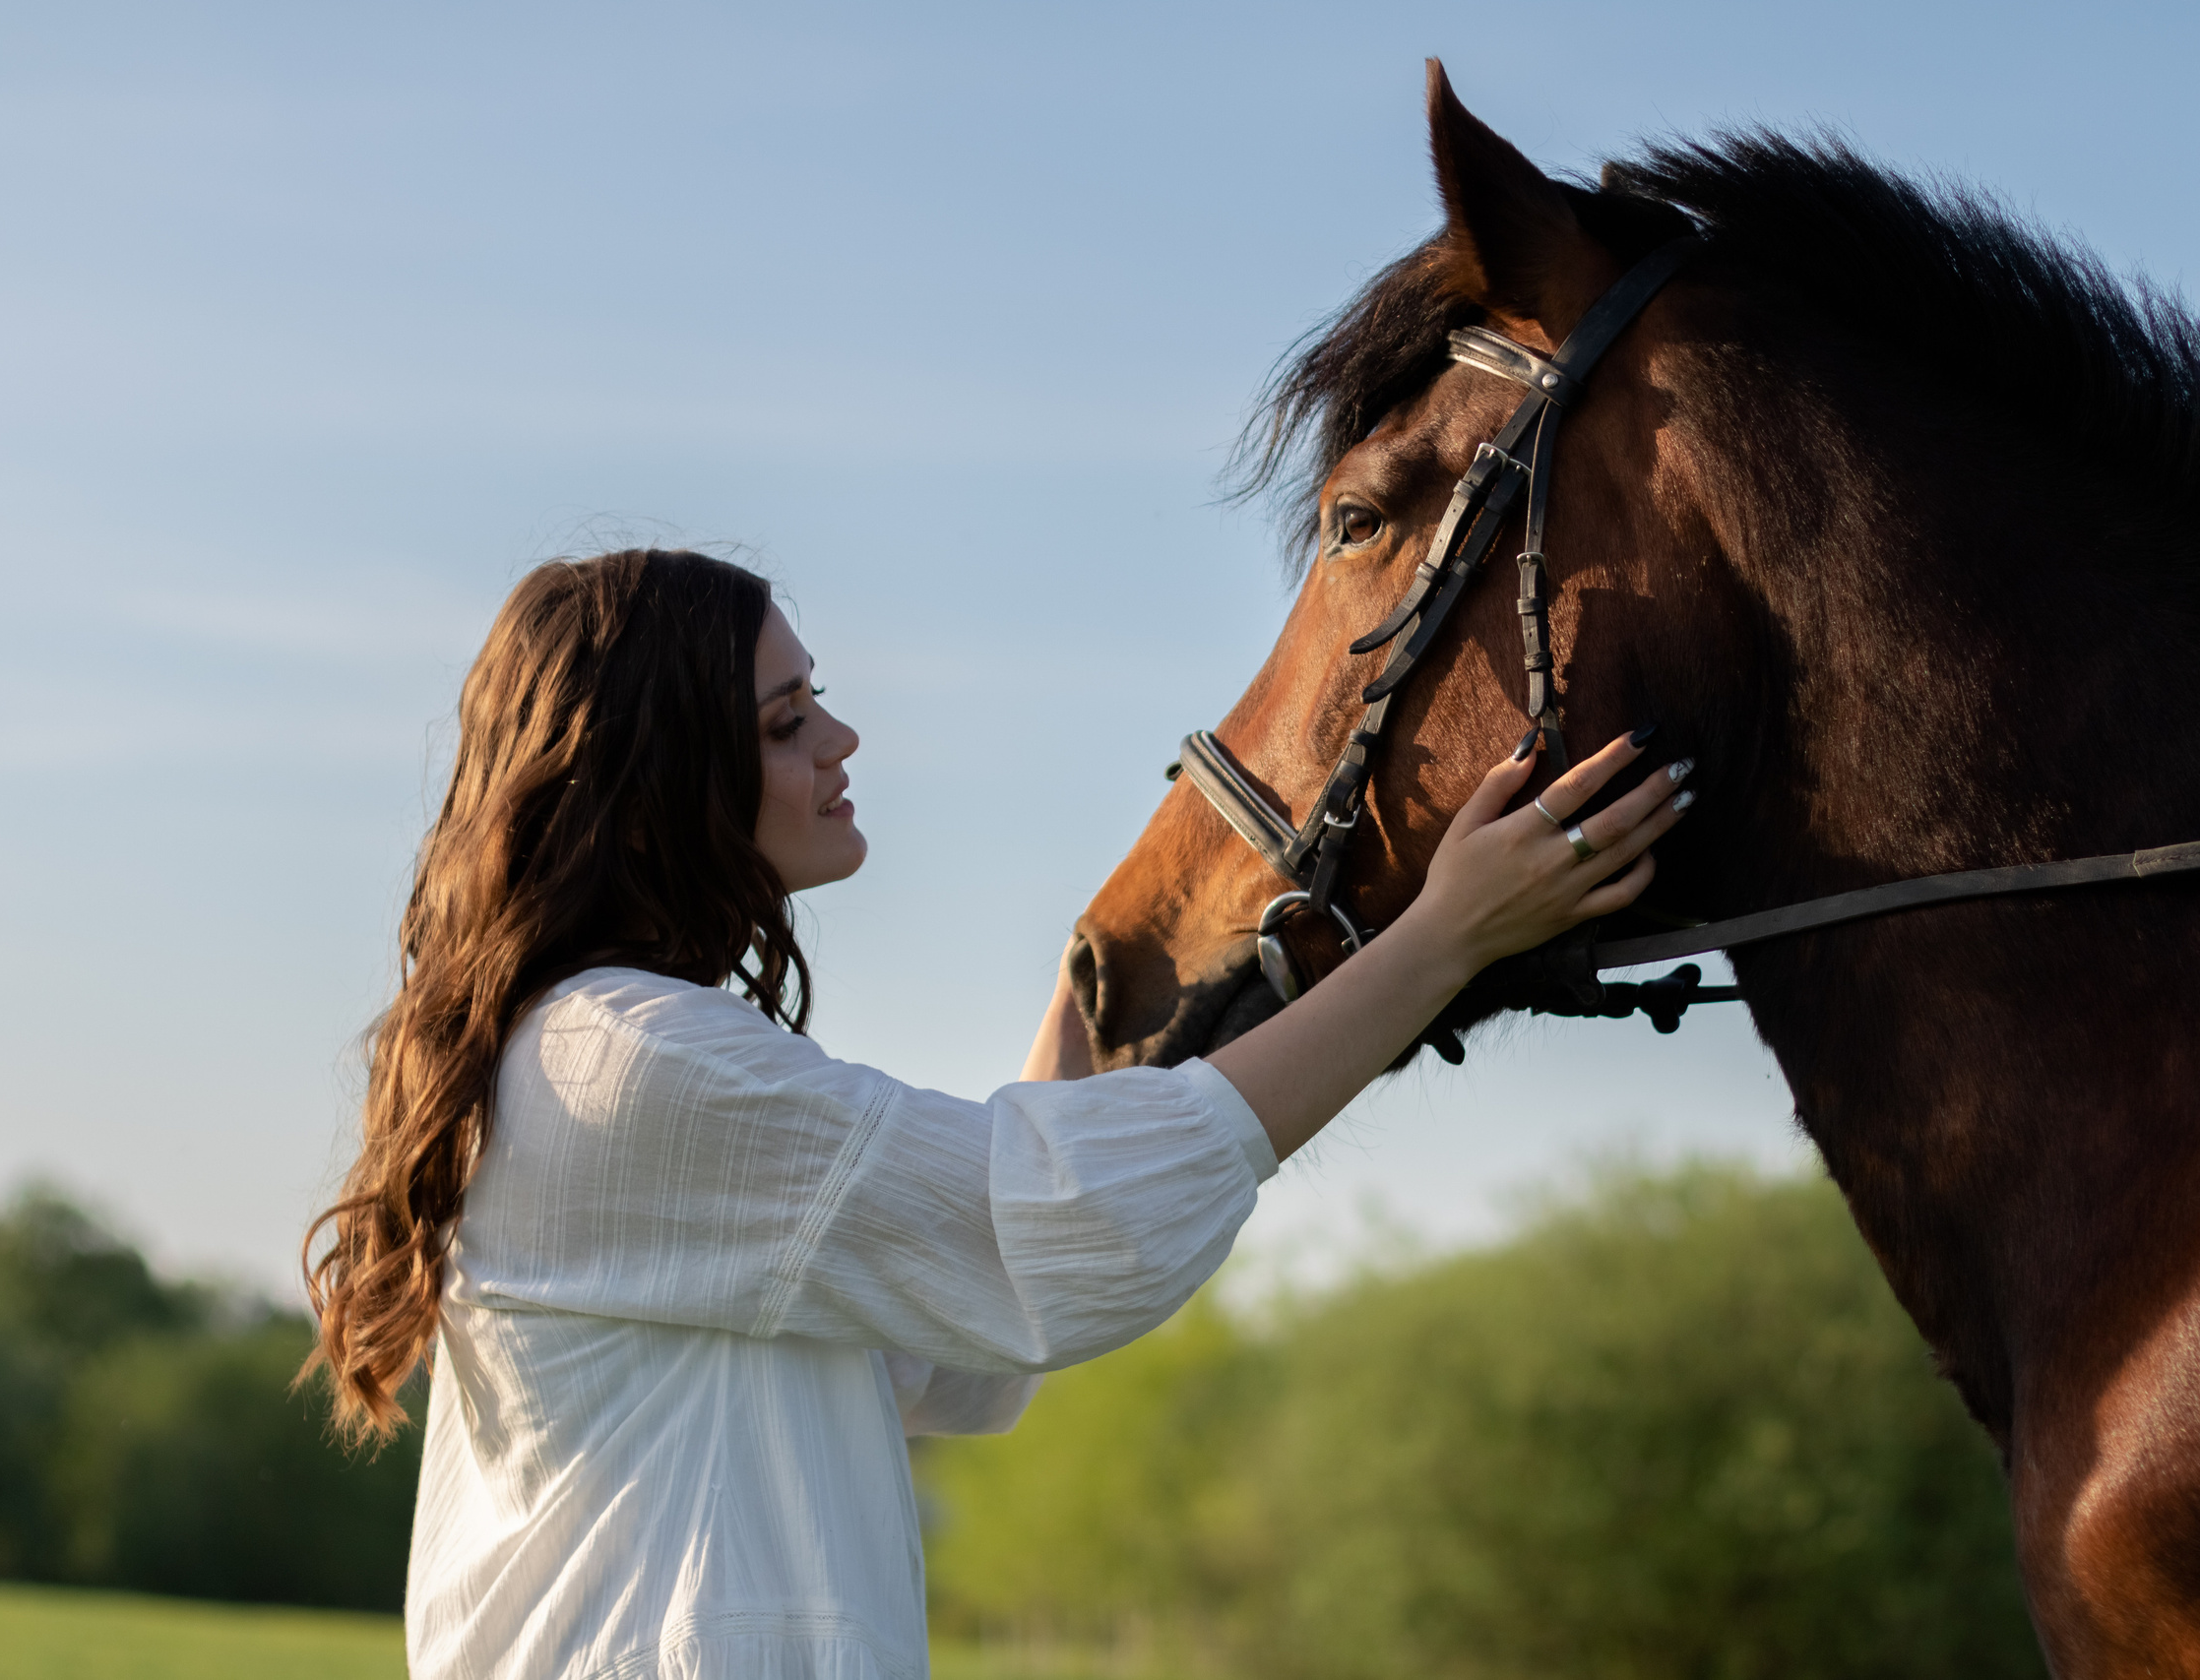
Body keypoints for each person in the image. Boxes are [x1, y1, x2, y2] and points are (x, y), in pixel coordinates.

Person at [302, 548, 1691, 1680]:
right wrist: (1444, 938)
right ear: (657, 788)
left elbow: (965, 1341)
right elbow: (1053, 1228)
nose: (842, 739)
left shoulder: (595, 1055)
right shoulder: (628, 1063)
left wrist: (1100, 970)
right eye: (786, 723)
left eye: (818, 698)